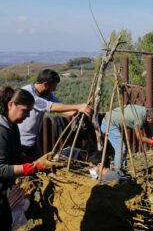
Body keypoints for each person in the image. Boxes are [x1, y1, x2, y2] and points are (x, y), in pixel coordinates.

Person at [0, 87, 54, 230]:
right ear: (10, 104)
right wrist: (33, 167)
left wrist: (34, 160)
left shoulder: (12, 126)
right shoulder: (1, 131)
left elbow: (16, 155)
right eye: (25, 110)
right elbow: (1, 168)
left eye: (30, 111)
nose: (28, 116)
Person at [18, 69, 93, 162]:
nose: (55, 89)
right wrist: (79, 106)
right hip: (20, 140)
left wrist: (76, 111)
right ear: (45, 84)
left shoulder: (46, 93)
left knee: (36, 166)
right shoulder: (27, 93)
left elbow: (59, 106)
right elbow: (51, 107)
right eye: (54, 86)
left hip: (34, 139)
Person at [101, 104, 153, 170]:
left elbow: (147, 129)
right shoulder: (139, 118)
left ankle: (123, 170)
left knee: (123, 149)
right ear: (149, 118)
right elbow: (140, 137)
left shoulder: (145, 111)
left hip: (110, 119)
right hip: (109, 124)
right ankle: (117, 172)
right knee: (121, 149)